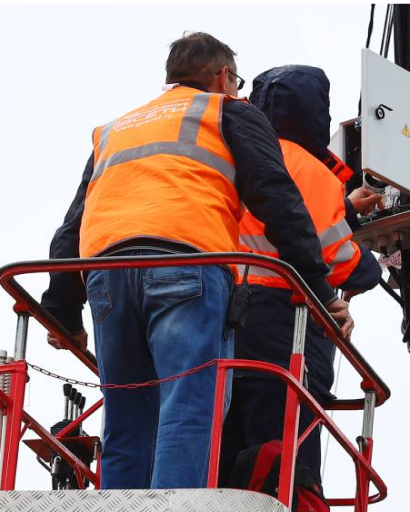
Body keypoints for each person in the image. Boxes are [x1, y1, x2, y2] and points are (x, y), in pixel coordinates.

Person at [39, 34, 352, 490]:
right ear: (224, 77)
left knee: (126, 417)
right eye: (237, 81)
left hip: (106, 275)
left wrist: (62, 313)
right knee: (189, 409)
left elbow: (72, 227)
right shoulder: (227, 111)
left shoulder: (115, 130)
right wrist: (321, 293)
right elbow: (279, 201)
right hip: (187, 267)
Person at [221, 65, 382, 480]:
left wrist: (347, 209)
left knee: (221, 454)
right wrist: (369, 266)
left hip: (216, 315)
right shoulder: (312, 170)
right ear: (316, 114)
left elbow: (272, 220)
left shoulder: (228, 152)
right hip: (282, 321)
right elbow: (336, 257)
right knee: (286, 458)